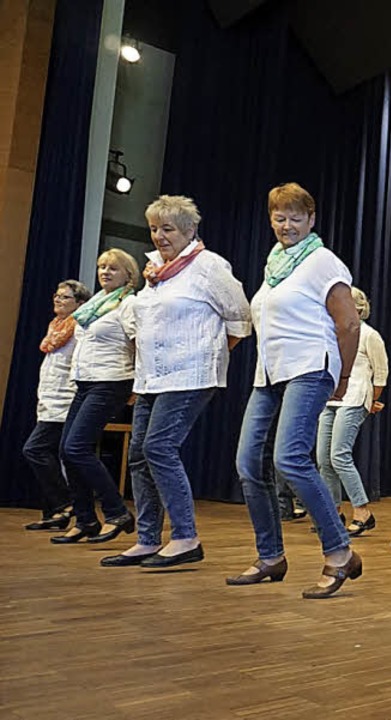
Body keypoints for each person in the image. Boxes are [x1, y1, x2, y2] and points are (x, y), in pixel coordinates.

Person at [102, 196, 252, 568]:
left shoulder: (209, 266)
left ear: (190, 230)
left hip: (190, 374)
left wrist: (213, 352)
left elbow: (241, 316)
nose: (159, 236)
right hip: (152, 376)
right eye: (154, 228)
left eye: (167, 229)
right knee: (138, 454)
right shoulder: (155, 270)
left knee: (159, 447)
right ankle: (148, 539)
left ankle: (186, 537)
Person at [230, 182, 362, 599]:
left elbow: (349, 324)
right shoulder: (275, 264)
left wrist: (341, 375)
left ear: (312, 219)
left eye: (295, 218)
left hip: (310, 366)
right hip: (269, 372)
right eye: (279, 217)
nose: (287, 225)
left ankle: (339, 552)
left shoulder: (323, 261)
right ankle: (270, 556)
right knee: (249, 461)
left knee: (289, 457)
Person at [51, 250, 139, 544]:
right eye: (101, 267)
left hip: (112, 380)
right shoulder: (95, 305)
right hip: (86, 381)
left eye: (113, 268)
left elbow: (140, 343)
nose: (105, 272)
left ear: (129, 274)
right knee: (66, 449)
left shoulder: (128, 304)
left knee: (76, 447)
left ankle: (117, 512)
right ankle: (85, 518)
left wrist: (138, 385)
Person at [317, 286, 388, 537]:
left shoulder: (369, 335)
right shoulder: (333, 334)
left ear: (357, 308)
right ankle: (333, 513)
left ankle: (362, 511)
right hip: (330, 400)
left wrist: (371, 400)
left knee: (339, 455)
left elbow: (381, 374)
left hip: (355, 398)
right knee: (323, 459)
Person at [23, 280, 90, 530]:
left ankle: (66, 503)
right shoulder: (55, 328)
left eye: (65, 297)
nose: (58, 300)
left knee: (35, 450)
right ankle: (54, 515)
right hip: (48, 400)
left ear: (80, 304)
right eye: (57, 295)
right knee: (49, 454)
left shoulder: (79, 330)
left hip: (65, 401)